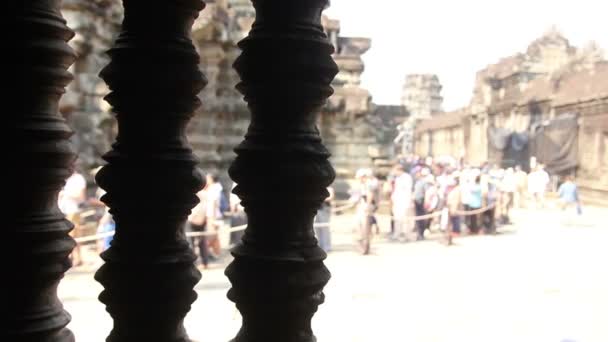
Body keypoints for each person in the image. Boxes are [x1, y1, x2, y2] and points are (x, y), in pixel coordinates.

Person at [59, 168, 87, 266]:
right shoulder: (65, 179)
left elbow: (81, 197)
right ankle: (71, 258)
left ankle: (78, 259)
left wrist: (66, 194)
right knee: (67, 236)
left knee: (75, 236)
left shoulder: (78, 179)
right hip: (64, 211)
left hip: (74, 211)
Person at [188, 181, 210, 269]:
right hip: (199, 219)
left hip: (195, 219)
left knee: (192, 242)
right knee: (199, 242)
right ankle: (203, 262)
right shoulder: (205, 194)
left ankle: (195, 262)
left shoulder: (201, 194)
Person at [390, 164, 413, 242]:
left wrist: (408, 201)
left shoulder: (407, 177)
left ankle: (407, 235)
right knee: (397, 218)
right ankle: (397, 233)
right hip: (397, 200)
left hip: (404, 200)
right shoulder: (397, 178)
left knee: (406, 219)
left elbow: (407, 190)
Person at [205, 173, 223, 258]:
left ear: (212, 179)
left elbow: (213, 204)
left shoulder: (214, 189)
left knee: (211, 235)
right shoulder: (215, 188)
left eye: (208, 178)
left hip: (212, 215)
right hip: (212, 215)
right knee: (214, 236)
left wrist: (212, 218)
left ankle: (212, 253)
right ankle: (216, 253)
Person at [314, 186, 334, 252]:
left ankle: (327, 246)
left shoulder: (329, 188)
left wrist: (320, 198)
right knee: (317, 228)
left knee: (325, 228)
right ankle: (320, 245)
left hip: (324, 209)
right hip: (317, 209)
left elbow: (330, 197)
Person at [229, 182, 247, 246]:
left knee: (240, 236)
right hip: (240, 212)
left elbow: (233, 199)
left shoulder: (238, 181)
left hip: (240, 212)